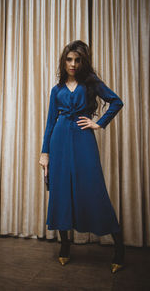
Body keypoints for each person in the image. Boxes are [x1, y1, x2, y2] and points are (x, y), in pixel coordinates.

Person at [39, 40, 125, 273]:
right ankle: (65, 245)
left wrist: (98, 123)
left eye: (77, 60)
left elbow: (117, 102)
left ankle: (119, 248)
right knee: (61, 191)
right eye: (69, 59)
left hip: (84, 141)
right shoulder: (56, 90)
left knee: (94, 189)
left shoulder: (91, 83)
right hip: (58, 142)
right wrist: (44, 153)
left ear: (82, 61)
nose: (73, 64)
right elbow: (49, 124)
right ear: (63, 61)